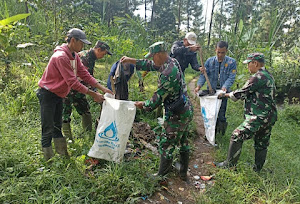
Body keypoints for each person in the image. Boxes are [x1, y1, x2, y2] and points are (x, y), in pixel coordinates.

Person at [36, 28, 113, 161]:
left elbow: (84, 74)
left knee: (57, 125)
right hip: (48, 94)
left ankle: (62, 156)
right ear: (73, 40)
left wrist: (103, 88)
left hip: (59, 94)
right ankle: (48, 160)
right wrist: (93, 94)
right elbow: (73, 82)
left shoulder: (74, 55)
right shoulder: (61, 57)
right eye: (81, 43)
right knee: (47, 127)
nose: (82, 46)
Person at [121, 41, 193, 181]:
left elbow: (154, 102)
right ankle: (183, 172)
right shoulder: (172, 61)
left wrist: (141, 104)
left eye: (153, 56)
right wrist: (132, 61)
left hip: (177, 114)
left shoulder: (168, 74)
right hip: (185, 108)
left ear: (159, 54)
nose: (152, 59)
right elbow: (150, 65)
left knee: (166, 143)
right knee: (183, 141)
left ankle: (162, 175)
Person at [215, 53, 277, 172]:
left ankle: (229, 165)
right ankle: (257, 169)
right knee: (262, 143)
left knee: (237, 135)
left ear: (255, 63)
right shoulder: (268, 75)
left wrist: (225, 95)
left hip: (258, 116)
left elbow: (242, 93)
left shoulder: (257, 76)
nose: (247, 66)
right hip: (270, 116)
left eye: (249, 63)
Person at [62, 41, 112, 140]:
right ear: (98, 50)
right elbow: (82, 78)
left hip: (79, 89)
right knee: (65, 114)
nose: (104, 56)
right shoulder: (85, 58)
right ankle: (69, 140)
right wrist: (95, 93)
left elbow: (88, 76)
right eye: (104, 53)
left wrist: (100, 89)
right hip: (69, 88)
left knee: (85, 109)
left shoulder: (91, 57)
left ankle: (88, 135)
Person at [194, 41, 237, 134]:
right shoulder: (210, 61)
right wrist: (199, 86)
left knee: (221, 112)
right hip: (211, 90)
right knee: (211, 113)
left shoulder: (231, 62)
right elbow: (204, 75)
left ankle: (220, 132)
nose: (220, 55)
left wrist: (225, 87)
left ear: (226, 51)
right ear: (215, 50)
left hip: (222, 92)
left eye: (223, 52)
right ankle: (210, 132)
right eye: (218, 52)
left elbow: (231, 77)